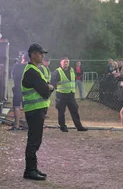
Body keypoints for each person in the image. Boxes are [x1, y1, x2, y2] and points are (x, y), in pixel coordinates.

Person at [21, 44, 54, 180]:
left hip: (36, 110)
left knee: (35, 139)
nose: (42, 56)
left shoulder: (34, 70)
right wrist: (50, 87)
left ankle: (32, 168)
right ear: (34, 55)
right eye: (40, 54)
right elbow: (45, 91)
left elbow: (44, 87)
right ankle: (29, 170)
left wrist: (47, 86)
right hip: (35, 110)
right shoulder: (32, 71)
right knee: (34, 140)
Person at [51, 57, 87, 132]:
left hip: (71, 94)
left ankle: (79, 126)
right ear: (60, 63)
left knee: (75, 110)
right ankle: (63, 127)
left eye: (67, 62)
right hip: (61, 95)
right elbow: (53, 83)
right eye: (64, 62)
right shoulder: (57, 72)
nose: (66, 63)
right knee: (61, 112)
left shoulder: (71, 70)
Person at [10, 53, 28, 130]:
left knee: (16, 107)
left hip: (18, 88)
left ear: (22, 58)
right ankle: (27, 125)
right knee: (26, 107)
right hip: (26, 90)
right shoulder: (29, 67)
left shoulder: (16, 66)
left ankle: (16, 125)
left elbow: (12, 75)